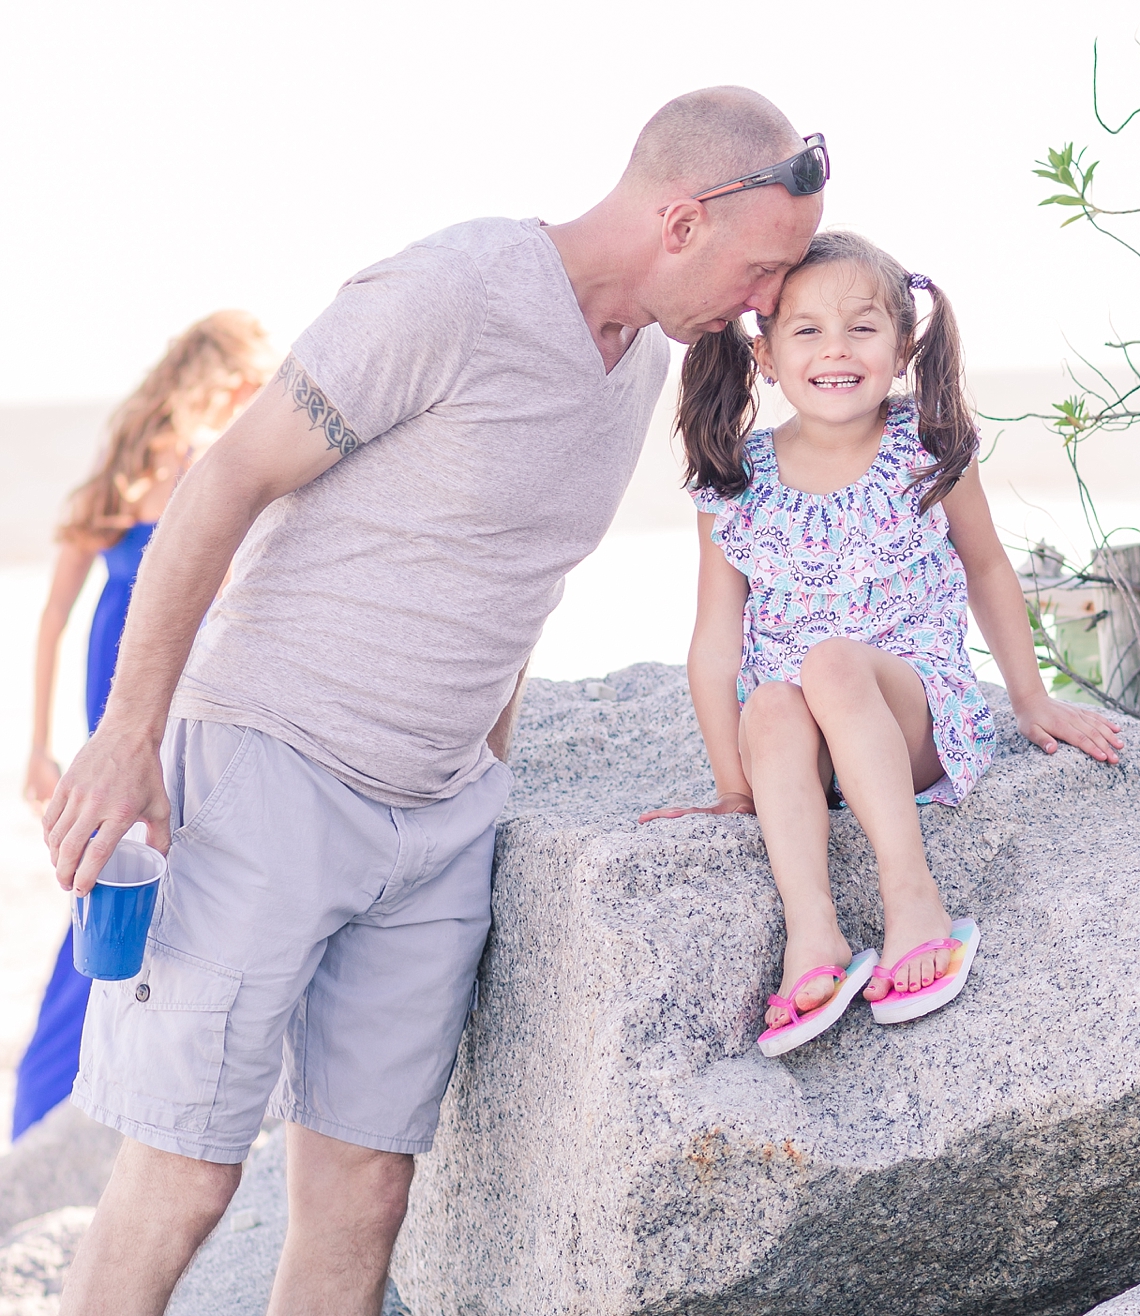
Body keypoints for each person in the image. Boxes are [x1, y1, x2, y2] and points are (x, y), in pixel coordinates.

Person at [41, 87, 827, 1316]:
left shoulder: (645, 371)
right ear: (682, 222)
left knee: (363, 1198)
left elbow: (518, 584)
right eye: (766, 267)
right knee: (189, 1173)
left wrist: (488, 778)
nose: (769, 302)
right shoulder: (454, 291)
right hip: (271, 767)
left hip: (437, 823)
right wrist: (130, 733)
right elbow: (227, 477)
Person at [642, 230, 1123, 1052]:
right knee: (768, 696)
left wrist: (1032, 697)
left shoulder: (924, 449)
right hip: (809, 753)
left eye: (862, 328)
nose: (836, 350)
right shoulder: (736, 480)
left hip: (913, 721)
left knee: (829, 662)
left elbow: (990, 571)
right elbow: (715, 641)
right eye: (807, 331)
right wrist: (734, 785)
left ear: (903, 349)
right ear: (764, 354)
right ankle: (815, 933)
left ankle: (913, 899)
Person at [15, 312, 272, 1140]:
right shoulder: (186, 468)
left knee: (122, 881)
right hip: (144, 693)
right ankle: (60, 1102)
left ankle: (69, 1099)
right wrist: (36, 745)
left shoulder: (150, 467)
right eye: (257, 378)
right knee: (113, 881)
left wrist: (39, 741)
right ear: (228, 377)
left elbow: (61, 614)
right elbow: (54, 611)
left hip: (145, 687)